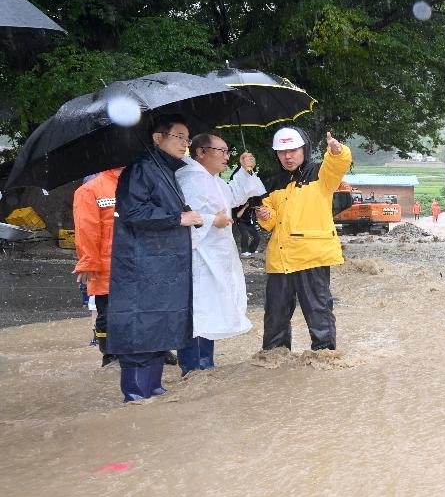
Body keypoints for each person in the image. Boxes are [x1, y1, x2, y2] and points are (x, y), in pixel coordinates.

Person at [107, 114, 203, 401]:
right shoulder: (140, 169)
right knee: (141, 329)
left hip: (162, 266)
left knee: (159, 327)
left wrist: (185, 214)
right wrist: (178, 217)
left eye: (188, 138)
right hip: (143, 267)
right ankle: (136, 395)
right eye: (179, 137)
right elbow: (133, 212)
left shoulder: (164, 170)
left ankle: (154, 390)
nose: (185, 144)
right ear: (157, 138)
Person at [175, 133, 266, 376]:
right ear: (201, 152)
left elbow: (233, 197)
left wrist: (245, 171)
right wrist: (211, 220)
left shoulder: (211, 179)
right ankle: (193, 367)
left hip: (217, 255)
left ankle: (205, 364)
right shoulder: (190, 178)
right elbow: (181, 217)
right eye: (222, 151)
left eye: (228, 151)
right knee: (199, 311)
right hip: (199, 256)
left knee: (211, 309)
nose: (227, 156)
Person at [256, 127, 352, 352]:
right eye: (282, 152)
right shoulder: (273, 182)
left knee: (318, 310)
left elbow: (338, 164)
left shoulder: (322, 175)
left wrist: (338, 151)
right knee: (275, 314)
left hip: (312, 256)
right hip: (280, 259)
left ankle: (325, 356)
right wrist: (265, 215)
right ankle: (274, 356)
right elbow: (271, 222)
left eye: (293, 150)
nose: (287, 156)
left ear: (304, 149)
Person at [72, 167, 123, 367]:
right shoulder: (90, 190)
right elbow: (86, 229)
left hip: (137, 263)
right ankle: (109, 355)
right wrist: (87, 261)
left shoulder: (139, 184)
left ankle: (155, 352)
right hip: (106, 265)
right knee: (108, 312)